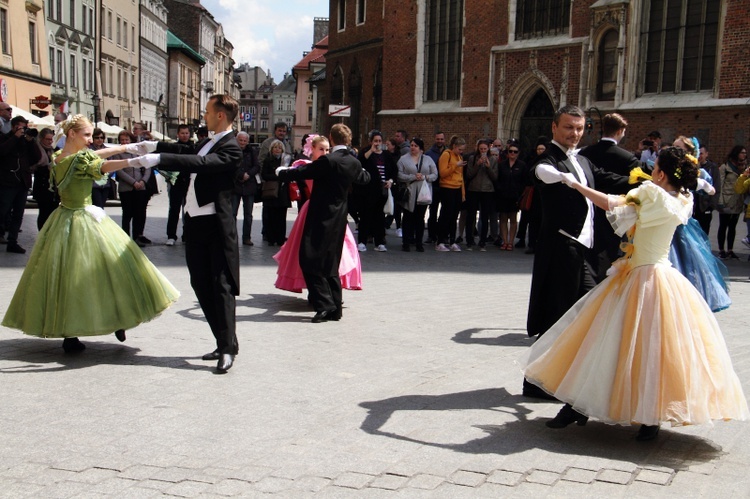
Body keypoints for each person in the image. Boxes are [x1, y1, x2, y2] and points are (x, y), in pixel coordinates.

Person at [524, 147, 749, 441]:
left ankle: (583, 407)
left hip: (640, 278)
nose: (651, 170)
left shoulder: (651, 193)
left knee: (607, 341)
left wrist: (575, 184)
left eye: (655, 167)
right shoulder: (684, 198)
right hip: (662, 276)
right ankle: (643, 417)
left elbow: (610, 203)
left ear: (661, 173)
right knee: (655, 350)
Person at [1, 114, 179, 353]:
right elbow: (101, 164)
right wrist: (133, 161)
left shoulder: (61, 156)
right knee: (75, 277)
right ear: (72, 134)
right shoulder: (70, 159)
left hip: (72, 218)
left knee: (107, 271)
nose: (89, 139)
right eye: (86, 134)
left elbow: (96, 155)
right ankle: (73, 331)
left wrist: (129, 148)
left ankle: (113, 319)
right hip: (76, 219)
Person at [524, 105, 630, 399]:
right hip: (561, 246)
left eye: (580, 128)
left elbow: (610, 179)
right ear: (555, 127)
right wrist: (563, 178)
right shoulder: (550, 158)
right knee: (567, 313)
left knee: (573, 313)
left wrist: (647, 182)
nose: (575, 133)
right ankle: (543, 381)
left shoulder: (583, 160)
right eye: (569, 127)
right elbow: (539, 172)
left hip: (584, 249)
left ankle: (546, 380)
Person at [135, 94, 243, 373]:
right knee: (200, 283)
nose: (204, 116)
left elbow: (201, 164)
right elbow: (186, 151)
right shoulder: (207, 141)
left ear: (221, 115)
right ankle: (223, 339)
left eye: (208, 111)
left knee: (221, 285)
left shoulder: (232, 148)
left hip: (217, 226)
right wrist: (153, 145)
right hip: (194, 223)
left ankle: (229, 348)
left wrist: (158, 158)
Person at [276, 124, 370, 323]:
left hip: (321, 216)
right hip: (340, 218)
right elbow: (365, 178)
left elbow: (304, 172)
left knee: (309, 259)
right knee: (331, 264)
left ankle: (325, 305)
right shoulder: (352, 162)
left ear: (331, 138)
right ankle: (335, 309)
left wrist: (282, 173)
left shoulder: (329, 160)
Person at [579, 113, 642, 280]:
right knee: (615, 254)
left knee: (589, 254)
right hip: (617, 215)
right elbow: (636, 186)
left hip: (589, 211)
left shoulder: (585, 154)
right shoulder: (628, 158)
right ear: (620, 131)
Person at [0, 115, 42, 253]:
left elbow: (36, 158)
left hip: (22, 182)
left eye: (25, 127)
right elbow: (2, 151)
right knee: (3, 211)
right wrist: (15, 137)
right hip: (7, 181)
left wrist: (30, 142)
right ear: (13, 127)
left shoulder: (26, 142)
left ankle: (13, 241)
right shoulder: (5, 138)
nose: (24, 130)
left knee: (18, 214)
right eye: (21, 127)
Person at [356, 130, 397, 252]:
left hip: (382, 190)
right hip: (368, 190)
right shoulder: (366, 152)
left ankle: (379, 242)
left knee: (379, 217)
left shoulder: (386, 155)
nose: (377, 143)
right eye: (375, 141)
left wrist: (390, 181)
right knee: (365, 216)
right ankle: (362, 241)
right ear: (371, 142)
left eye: (379, 141)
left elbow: (394, 170)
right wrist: (371, 151)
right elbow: (360, 162)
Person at [397, 138, 438, 252]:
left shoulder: (428, 159)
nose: (413, 147)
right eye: (411, 145)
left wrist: (425, 177)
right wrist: (413, 177)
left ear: (421, 148)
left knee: (420, 218)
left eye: (415, 146)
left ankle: (419, 242)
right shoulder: (403, 159)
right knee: (407, 217)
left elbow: (435, 174)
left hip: (423, 191)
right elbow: (399, 175)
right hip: (410, 190)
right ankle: (406, 242)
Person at [112, 130, 151, 247]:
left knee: (139, 213)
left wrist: (143, 181)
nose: (124, 142)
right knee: (127, 213)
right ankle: (125, 236)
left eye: (126, 140)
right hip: (126, 188)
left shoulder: (138, 151)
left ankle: (138, 236)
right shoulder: (118, 153)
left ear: (131, 140)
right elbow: (119, 170)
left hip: (140, 187)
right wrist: (133, 182)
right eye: (122, 140)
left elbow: (147, 166)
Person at [162, 124, 194, 246]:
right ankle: (171, 235)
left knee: (188, 210)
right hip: (176, 182)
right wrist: (169, 176)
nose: (185, 135)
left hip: (189, 182)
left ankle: (187, 234)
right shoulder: (173, 147)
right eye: (182, 133)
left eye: (186, 133)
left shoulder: (193, 148)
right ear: (178, 134)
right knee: (174, 209)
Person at [464, 139, 498, 250]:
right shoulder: (472, 159)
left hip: (487, 190)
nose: (483, 151)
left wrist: (488, 167)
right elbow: (469, 175)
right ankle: (469, 240)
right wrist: (477, 165)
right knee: (471, 215)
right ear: (478, 149)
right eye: (481, 149)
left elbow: (495, 177)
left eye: (485, 149)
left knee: (484, 216)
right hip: (474, 189)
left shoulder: (492, 159)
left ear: (488, 148)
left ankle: (482, 241)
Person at [436, 136, 467, 252]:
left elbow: (461, 177)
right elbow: (443, 173)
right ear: (454, 146)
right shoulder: (446, 155)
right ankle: (440, 241)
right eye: (460, 149)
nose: (461, 152)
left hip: (457, 188)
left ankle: (452, 241)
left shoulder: (459, 157)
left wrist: (463, 193)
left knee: (454, 216)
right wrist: (455, 166)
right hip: (447, 188)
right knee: (446, 215)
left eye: (462, 150)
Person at [261, 139, 292, 246]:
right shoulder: (268, 160)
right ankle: (271, 238)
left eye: (279, 148)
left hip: (283, 192)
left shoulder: (286, 161)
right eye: (275, 147)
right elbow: (264, 175)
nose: (277, 150)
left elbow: (290, 174)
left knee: (281, 217)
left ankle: (280, 238)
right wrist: (277, 176)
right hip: (271, 192)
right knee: (271, 216)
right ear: (271, 149)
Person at [717, 145, 746, 259]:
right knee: (723, 225)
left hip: (737, 200)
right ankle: (721, 249)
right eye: (742, 152)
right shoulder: (725, 168)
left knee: (733, 226)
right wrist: (720, 202)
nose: (744, 155)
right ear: (736, 153)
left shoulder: (743, 168)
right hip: (727, 199)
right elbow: (720, 184)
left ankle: (730, 249)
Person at [495, 141, 525, 251]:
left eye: (515, 152)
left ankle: (511, 242)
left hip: (515, 196)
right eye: (510, 151)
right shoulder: (502, 164)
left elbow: (524, 181)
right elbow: (497, 179)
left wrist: (519, 193)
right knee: (503, 219)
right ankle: (505, 241)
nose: (512, 153)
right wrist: (499, 189)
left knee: (513, 219)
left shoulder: (522, 165)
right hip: (502, 195)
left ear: (518, 153)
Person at [233, 131, 260, 246]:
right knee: (232, 213)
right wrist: (240, 175)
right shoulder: (232, 151)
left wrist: (248, 174)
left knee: (248, 215)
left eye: (245, 140)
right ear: (236, 140)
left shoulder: (252, 151)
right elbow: (231, 165)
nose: (243, 143)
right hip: (235, 186)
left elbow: (257, 166)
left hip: (249, 186)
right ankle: (232, 237)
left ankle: (246, 237)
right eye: (241, 140)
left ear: (248, 141)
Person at [33, 128, 59, 229]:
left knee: (53, 213)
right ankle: (42, 234)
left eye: (51, 139)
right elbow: (33, 166)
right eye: (47, 139)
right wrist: (46, 168)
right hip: (42, 186)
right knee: (44, 212)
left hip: (53, 186)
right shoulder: (37, 149)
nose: (50, 142)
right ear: (41, 139)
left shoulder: (53, 150)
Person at [424, 132, 445, 245]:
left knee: (443, 212)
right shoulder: (429, 153)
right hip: (434, 185)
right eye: (438, 139)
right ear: (434, 139)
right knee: (433, 211)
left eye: (441, 139)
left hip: (445, 185)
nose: (440, 141)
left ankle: (441, 234)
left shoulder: (447, 152)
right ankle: (431, 235)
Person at [695, 145, 720, 235]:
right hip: (693, 206)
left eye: (701, 153)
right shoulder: (692, 166)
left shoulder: (712, 168)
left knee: (704, 233)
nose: (699, 156)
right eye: (697, 153)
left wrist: (711, 205)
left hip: (705, 206)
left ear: (706, 154)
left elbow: (717, 187)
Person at [89, 128, 113, 209]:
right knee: (98, 207)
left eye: (101, 137)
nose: (99, 140)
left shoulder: (107, 150)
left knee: (101, 206)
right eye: (97, 138)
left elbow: (112, 164)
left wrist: (106, 174)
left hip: (105, 184)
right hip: (93, 184)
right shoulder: (89, 150)